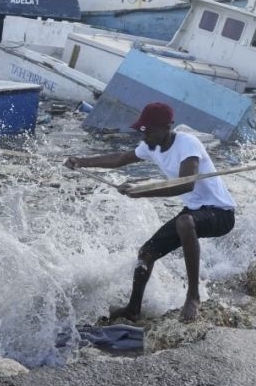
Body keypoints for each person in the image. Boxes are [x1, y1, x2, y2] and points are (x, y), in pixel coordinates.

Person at [65, 102, 236, 323]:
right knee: (146, 253)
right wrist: (82, 161)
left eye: (149, 131)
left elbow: (185, 184)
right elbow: (120, 159)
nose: (144, 137)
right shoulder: (151, 145)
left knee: (184, 222)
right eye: (142, 131)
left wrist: (141, 191)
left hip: (221, 213)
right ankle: (133, 309)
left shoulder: (188, 144)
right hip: (194, 212)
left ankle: (193, 297)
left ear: (167, 127)